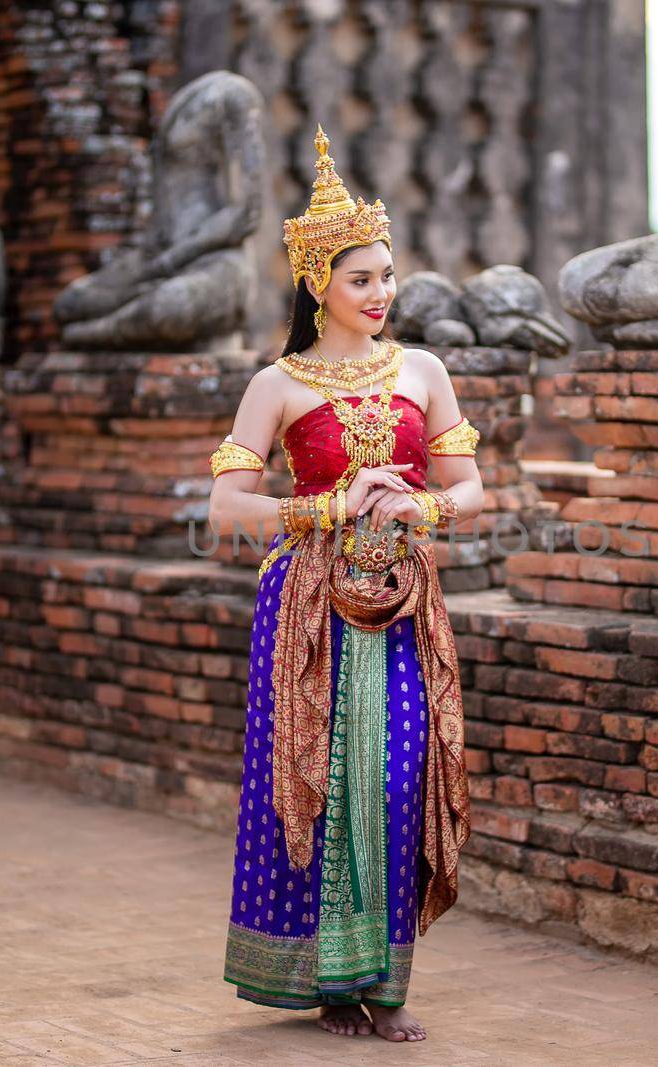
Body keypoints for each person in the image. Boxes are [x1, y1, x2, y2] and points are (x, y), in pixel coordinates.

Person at [206, 126, 483, 1042]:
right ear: (318, 283)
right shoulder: (277, 385)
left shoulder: (423, 370)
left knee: (401, 776)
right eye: (361, 278)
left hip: (402, 601)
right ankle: (332, 981)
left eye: (387, 276)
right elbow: (223, 509)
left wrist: (422, 513)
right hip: (309, 605)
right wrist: (324, 508)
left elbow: (471, 488)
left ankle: (389, 979)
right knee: (322, 781)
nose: (380, 294)